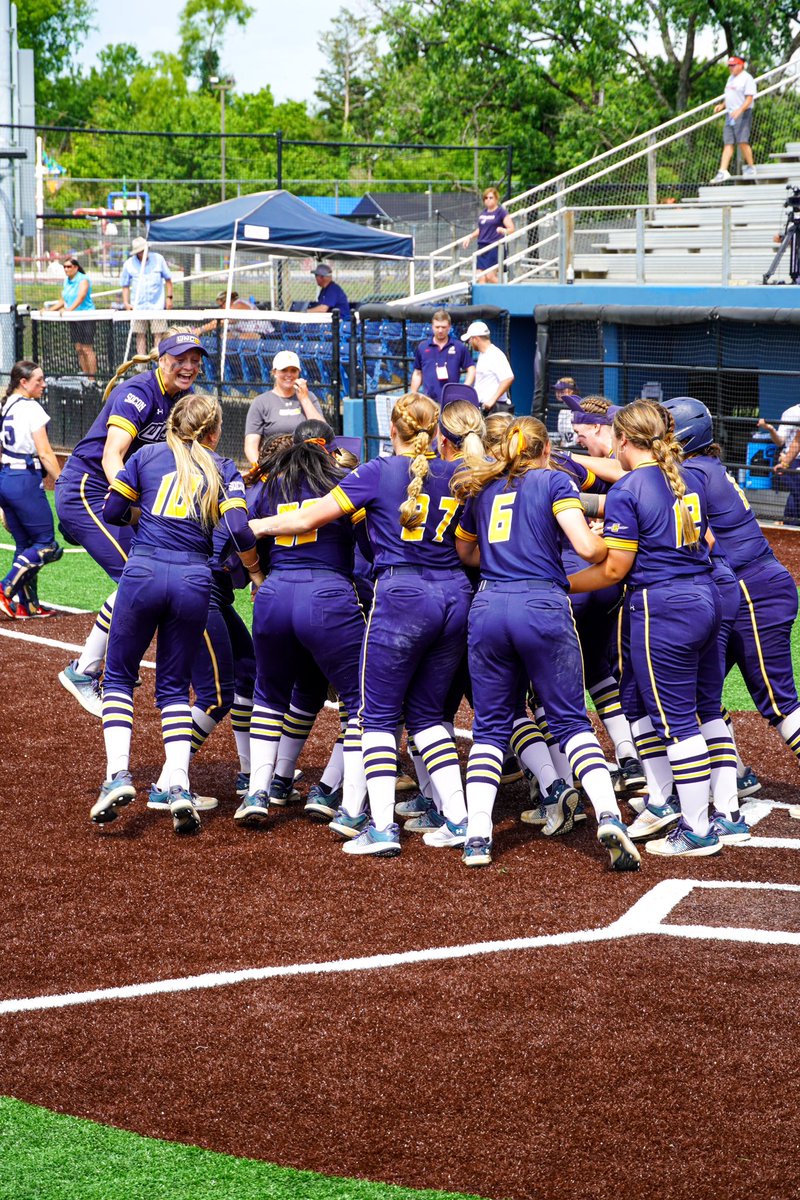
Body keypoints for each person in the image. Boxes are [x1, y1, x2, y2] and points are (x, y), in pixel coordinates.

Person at [250, 393, 474, 858]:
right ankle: (460, 818)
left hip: (401, 596)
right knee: (431, 716)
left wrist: (258, 528)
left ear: (392, 430)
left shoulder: (375, 472)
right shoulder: (462, 474)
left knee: (375, 714)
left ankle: (382, 827)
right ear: (436, 432)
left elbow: (311, 516)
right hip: (455, 595)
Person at [451, 416, 640, 870]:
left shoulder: (484, 488)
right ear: (545, 451)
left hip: (490, 605)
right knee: (572, 721)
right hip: (542, 605)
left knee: (491, 728)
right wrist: (604, 539)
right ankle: (610, 815)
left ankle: (477, 836)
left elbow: (466, 553)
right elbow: (590, 551)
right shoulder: (555, 482)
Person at [569, 400, 739, 859]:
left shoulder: (630, 487)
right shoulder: (685, 477)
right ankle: (716, 812)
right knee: (703, 710)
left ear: (623, 440)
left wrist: (560, 583)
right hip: (705, 596)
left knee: (675, 722)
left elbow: (612, 570)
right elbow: (704, 540)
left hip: (662, 607)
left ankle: (696, 828)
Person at [91, 392, 261, 833]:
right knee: (173, 689)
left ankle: (117, 777)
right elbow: (240, 529)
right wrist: (256, 574)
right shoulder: (222, 468)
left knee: (120, 678)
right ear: (213, 430)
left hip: (144, 570)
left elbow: (111, 509)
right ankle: (180, 786)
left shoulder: (147, 455)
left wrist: (145, 515)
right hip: (193, 580)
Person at [55, 331, 209, 717]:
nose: (188, 366)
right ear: (161, 360)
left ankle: (110, 663)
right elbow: (112, 455)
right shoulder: (137, 392)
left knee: (149, 574)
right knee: (139, 574)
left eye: (195, 360)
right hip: (88, 490)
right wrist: (135, 502)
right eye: (180, 359)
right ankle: (84, 670)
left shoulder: (180, 400)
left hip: (119, 495)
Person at [663, 395, 800, 795]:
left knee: (778, 702)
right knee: (694, 690)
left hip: (753, 590)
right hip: (743, 589)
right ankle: (735, 773)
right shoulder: (702, 467)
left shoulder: (692, 474)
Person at [235, 419, 367, 827]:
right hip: (328, 595)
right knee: (363, 703)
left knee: (269, 696)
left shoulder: (270, 485)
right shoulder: (345, 480)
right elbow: (370, 550)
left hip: (274, 596)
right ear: (329, 448)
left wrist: (257, 575)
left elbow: (240, 533)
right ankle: (339, 797)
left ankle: (257, 790)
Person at [0, 361, 63, 620]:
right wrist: (63, 482)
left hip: (6, 478)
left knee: (25, 543)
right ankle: (4, 588)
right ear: (23, 382)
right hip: (24, 479)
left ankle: (29, 604)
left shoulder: (6, 406)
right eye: (38, 380)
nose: (44, 384)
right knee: (48, 545)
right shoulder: (31, 407)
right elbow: (46, 452)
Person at [243, 350, 323, 466]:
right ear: (274, 372)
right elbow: (251, 445)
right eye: (284, 370)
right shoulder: (261, 402)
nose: (289, 375)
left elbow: (322, 432)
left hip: (305, 465)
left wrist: (304, 399)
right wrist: (260, 470)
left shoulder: (309, 397)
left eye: (293, 370)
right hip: (273, 466)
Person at [121, 236, 174, 356]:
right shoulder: (129, 264)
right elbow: (125, 285)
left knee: (159, 333)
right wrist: (126, 303)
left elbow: (168, 280)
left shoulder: (158, 259)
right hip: (138, 307)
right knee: (140, 334)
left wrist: (169, 298)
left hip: (157, 306)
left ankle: (157, 361)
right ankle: (142, 365)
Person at [409, 310, 475, 403]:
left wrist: (464, 388)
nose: (440, 330)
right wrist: (413, 394)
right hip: (429, 401)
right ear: (432, 327)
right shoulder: (423, 347)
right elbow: (417, 373)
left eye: (443, 327)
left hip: (452, 401)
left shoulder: (459, 347)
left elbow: (471, 368)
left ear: (449, 327)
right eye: (437, 327)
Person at [710, 56, 757, 184]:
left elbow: (749, 99)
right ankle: (722, 171)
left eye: (733, 65)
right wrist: (722, 105)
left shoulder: (747, 78)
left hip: (742, 113)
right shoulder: (730, 78)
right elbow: (730, 95)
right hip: (730, 113)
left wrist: (740, 110)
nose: (731, 68)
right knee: (728, 142)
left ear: (741, 65)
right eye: (729, 66)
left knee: (742, 141)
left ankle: (751, 167)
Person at [49, 258, 97, 380]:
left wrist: (68, 311)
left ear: (76, 267)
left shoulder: (83, 279)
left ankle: (93, 380)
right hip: (73, 318)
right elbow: (64, 300)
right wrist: (50, 310)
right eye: (64, 267)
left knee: (87, 349)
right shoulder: (66, 281)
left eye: (69, 266)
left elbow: (80, 297)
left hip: (86, 317)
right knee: (79, 348)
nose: (66, 269)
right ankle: (86, 378)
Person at [461, 186, 515, 283]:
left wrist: (503, 230)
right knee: (481, 277)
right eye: (486, 198)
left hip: (494, 247)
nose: (488, 200)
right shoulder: (483, 213)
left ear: (496, 199)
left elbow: (511, 228)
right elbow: (481, 229)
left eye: (491, 198)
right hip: (482, 247)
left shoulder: (501, 212)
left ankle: (505, 291)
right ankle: (483, 298)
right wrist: (470, 237)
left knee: (490, 276)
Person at [461, 321, 514, 415]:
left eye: (470, 339)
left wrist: (492, 400)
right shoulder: (483, 355)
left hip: (494, 409)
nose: (469, 342)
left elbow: (508, 377)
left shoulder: (494, 354)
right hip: (485, 408)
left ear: (476, 339)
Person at [759, 409, 800, 526]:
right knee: (796, 495)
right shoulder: (792, 412)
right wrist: (785, 463)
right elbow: (797, 442)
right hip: (796, 463)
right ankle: (790, 527)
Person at [554, 378, 579, 447]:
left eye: (561, 390)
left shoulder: (578, 407)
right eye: (557, 390)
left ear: (571, 391)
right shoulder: (562, 409)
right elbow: (564, 438)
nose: (558, 392)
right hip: (567, 448)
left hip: (577, 447)